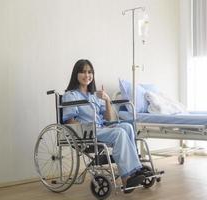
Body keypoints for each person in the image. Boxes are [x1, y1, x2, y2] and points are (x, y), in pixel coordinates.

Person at [62, 59, 145, 191]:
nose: (87, 75)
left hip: (101, 128)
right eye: (83, 72)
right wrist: (86, 128)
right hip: (87, 131)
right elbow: (70, 121)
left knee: (127, 127)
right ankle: (126, 178)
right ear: (76, 74)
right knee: (119, 133)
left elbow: (108, 118)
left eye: (90, 72)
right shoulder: (70, 95)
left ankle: (135, 170)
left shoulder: (93, 96)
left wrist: (106, 100)